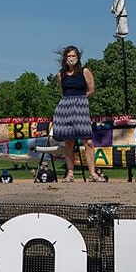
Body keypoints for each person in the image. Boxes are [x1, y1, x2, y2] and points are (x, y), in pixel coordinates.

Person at [52, 45, 101, 182]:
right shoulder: (60, 75)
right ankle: (70, 173)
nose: (71, 58)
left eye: (73, 56)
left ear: (78, 57)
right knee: (68, 141)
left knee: (88, 141)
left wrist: (81, 100)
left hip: (81, 107)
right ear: (65, 58)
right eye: (68, 56)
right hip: (65, 108)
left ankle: (93, 173)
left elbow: (91, 90)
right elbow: (62, 92)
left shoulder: (84, 71)